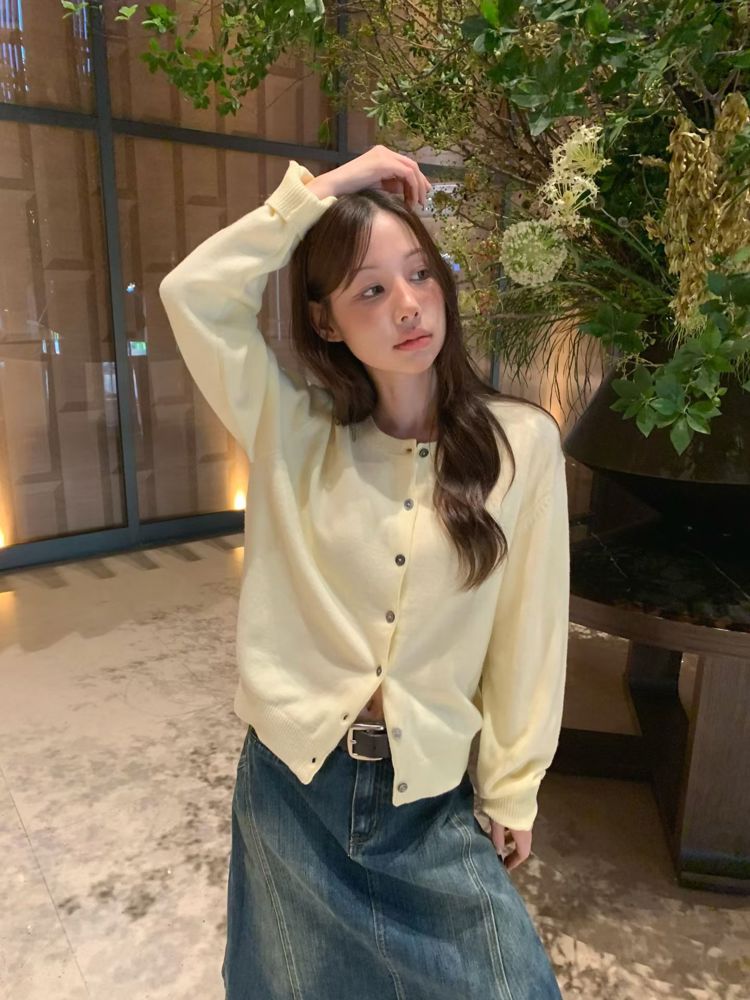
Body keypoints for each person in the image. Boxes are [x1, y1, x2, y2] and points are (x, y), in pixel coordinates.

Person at [159, 144, 569, 1000]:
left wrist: (513, 787)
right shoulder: (292, 431)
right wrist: (324, 191)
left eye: (419, 274)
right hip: (292, 788)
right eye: (370, 290)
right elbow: (192, 293)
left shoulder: (522, 444)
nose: (409, 305)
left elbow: (528, 631)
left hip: (428, 796)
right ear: (326, 322)